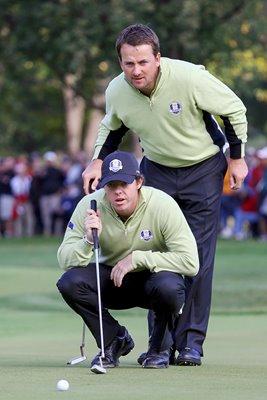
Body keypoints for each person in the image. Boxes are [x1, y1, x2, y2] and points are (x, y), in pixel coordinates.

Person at [81, 24, 248, 366]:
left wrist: (237, 157)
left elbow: (234, 109)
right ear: (121, 62)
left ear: (157, 58)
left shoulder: (190, 78)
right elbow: (112, 127)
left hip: (202, 168)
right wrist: (96, 161)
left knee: (195, 258)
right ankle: (160, 343)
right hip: (155, 169)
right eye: (128, 64)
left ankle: (190, 344)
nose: (136, 70)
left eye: (143, 62)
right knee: (150, 251)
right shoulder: (117, 90)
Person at [57, 151, 199, 369]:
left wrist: (137, 258)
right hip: (112, 281)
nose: (118, 191)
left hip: (153, 284)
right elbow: (64, 260)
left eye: (124, 183)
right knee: (70, 282)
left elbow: (190, 262)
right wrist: (86, 240)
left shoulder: (162, 205)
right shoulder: (90, 205)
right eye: (111, 185)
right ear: (103, 186)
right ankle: (114, 340)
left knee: (170, 287)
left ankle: (159, 349)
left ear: (139, 182)